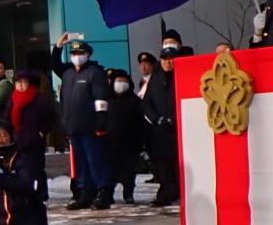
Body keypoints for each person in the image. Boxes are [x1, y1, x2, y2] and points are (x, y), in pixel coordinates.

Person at [53, 34, 114, 209]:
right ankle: (85, 192)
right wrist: (58, 48)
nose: (76, 56)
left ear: (88, 54)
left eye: (80, 53)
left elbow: (101, 98)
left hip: (91, 126)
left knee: (96, 160)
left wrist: (101, 120)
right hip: (74, 127)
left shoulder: (95, 73)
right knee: (81, 163)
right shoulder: (68, 73)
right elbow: (55, 64)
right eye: (73, 53)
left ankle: (104, 191)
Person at [143, 32, 185, 208]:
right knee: (163, 165)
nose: (168, 62)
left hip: (179, 130)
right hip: (160, 131)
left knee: (180, 166)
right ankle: (166, 192)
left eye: (171, 59)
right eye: (164, 59)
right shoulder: (155, 79)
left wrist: (176, 119)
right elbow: (146, 105)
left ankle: (182, 193)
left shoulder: (183, 76)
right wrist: (157, 119)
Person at [105, 68, 144, 205]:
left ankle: (128, 194)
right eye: (118, 81)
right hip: (110, 142)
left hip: (130, 143)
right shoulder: (107, 99)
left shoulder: (134, 101)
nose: (121, 83)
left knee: (129, 171)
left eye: (124, 81)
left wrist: (140, 142)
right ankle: (108, 194)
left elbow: (141, 122)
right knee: (110, 171)